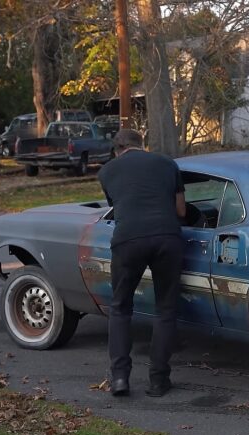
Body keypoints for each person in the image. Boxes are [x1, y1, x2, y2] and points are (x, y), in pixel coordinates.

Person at [97, 129, 186, 397]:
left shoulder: (107, 171)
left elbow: (118, 207)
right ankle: (159, 381)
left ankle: (120, 379)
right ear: (141, 145)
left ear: (117, 149)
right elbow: (181, 210)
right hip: (167, 238)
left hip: (128, 241)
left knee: (121, 308)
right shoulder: (168, 164)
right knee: (166, 309)